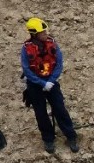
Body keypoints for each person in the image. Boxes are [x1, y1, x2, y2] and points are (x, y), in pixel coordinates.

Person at [21, 17, 79, 154]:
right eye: (43, 33)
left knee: (60, 108)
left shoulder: (52, 44)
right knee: (40, 113)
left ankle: (71, 135)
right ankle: (48, 138)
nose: (46, 34)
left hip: (51, 82)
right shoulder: (26, 49)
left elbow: (58, 63)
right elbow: (27, 70)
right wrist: (41, 83)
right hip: (35, 85)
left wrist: (51, 81)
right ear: (34, 34)